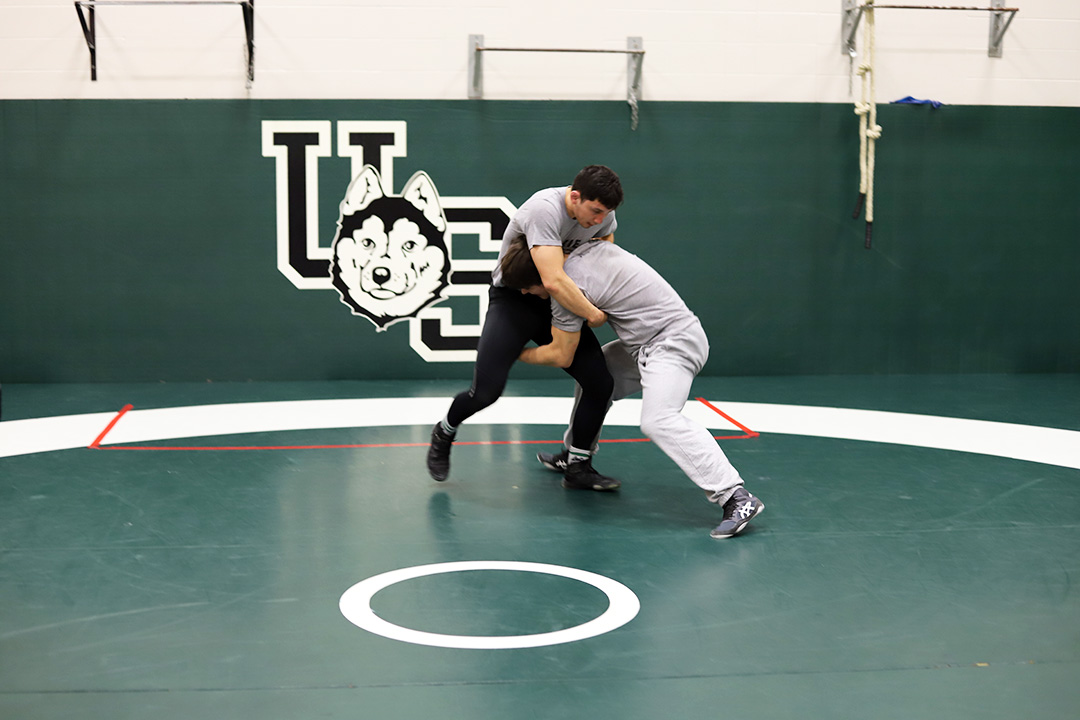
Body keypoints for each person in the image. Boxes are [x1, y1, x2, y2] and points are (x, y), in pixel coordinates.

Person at [500, 236, 765, 539]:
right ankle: (576, 456)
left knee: (658, 419)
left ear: (544, 279)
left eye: (527, 287)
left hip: (672, 342)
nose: (524, 293)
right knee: (596, 379)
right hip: (645, 343)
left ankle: (735, 497)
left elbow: (561, 354)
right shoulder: (587, 247)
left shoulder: (572, 288)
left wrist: (510, 352)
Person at [426, 165, 624, 491]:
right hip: (515, 300)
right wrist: (593, 313)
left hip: (559, 302)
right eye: (596, 211)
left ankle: (578, 465)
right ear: (575, 197)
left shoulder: (603, 218)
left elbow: (602, 252)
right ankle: (444, 431)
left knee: (600, 383)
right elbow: (552, 279)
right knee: (486, 392)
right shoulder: (543, 210)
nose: (600, 219)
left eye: (607, 213)